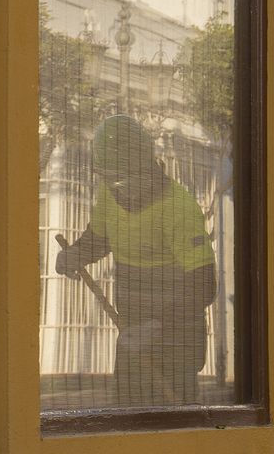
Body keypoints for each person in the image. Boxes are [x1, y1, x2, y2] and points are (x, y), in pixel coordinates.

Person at [54, 114, 215, 406]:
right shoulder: (111, 192)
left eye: (124, 182)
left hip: (175, 340)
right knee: (128, 416)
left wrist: (154, 327)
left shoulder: (178, 209)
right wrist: (77, 252)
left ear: (149, 171)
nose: (118, 191)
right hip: (132, 330)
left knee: (173, 425)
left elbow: (203, 285)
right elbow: (100, 237)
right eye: (110, 181)